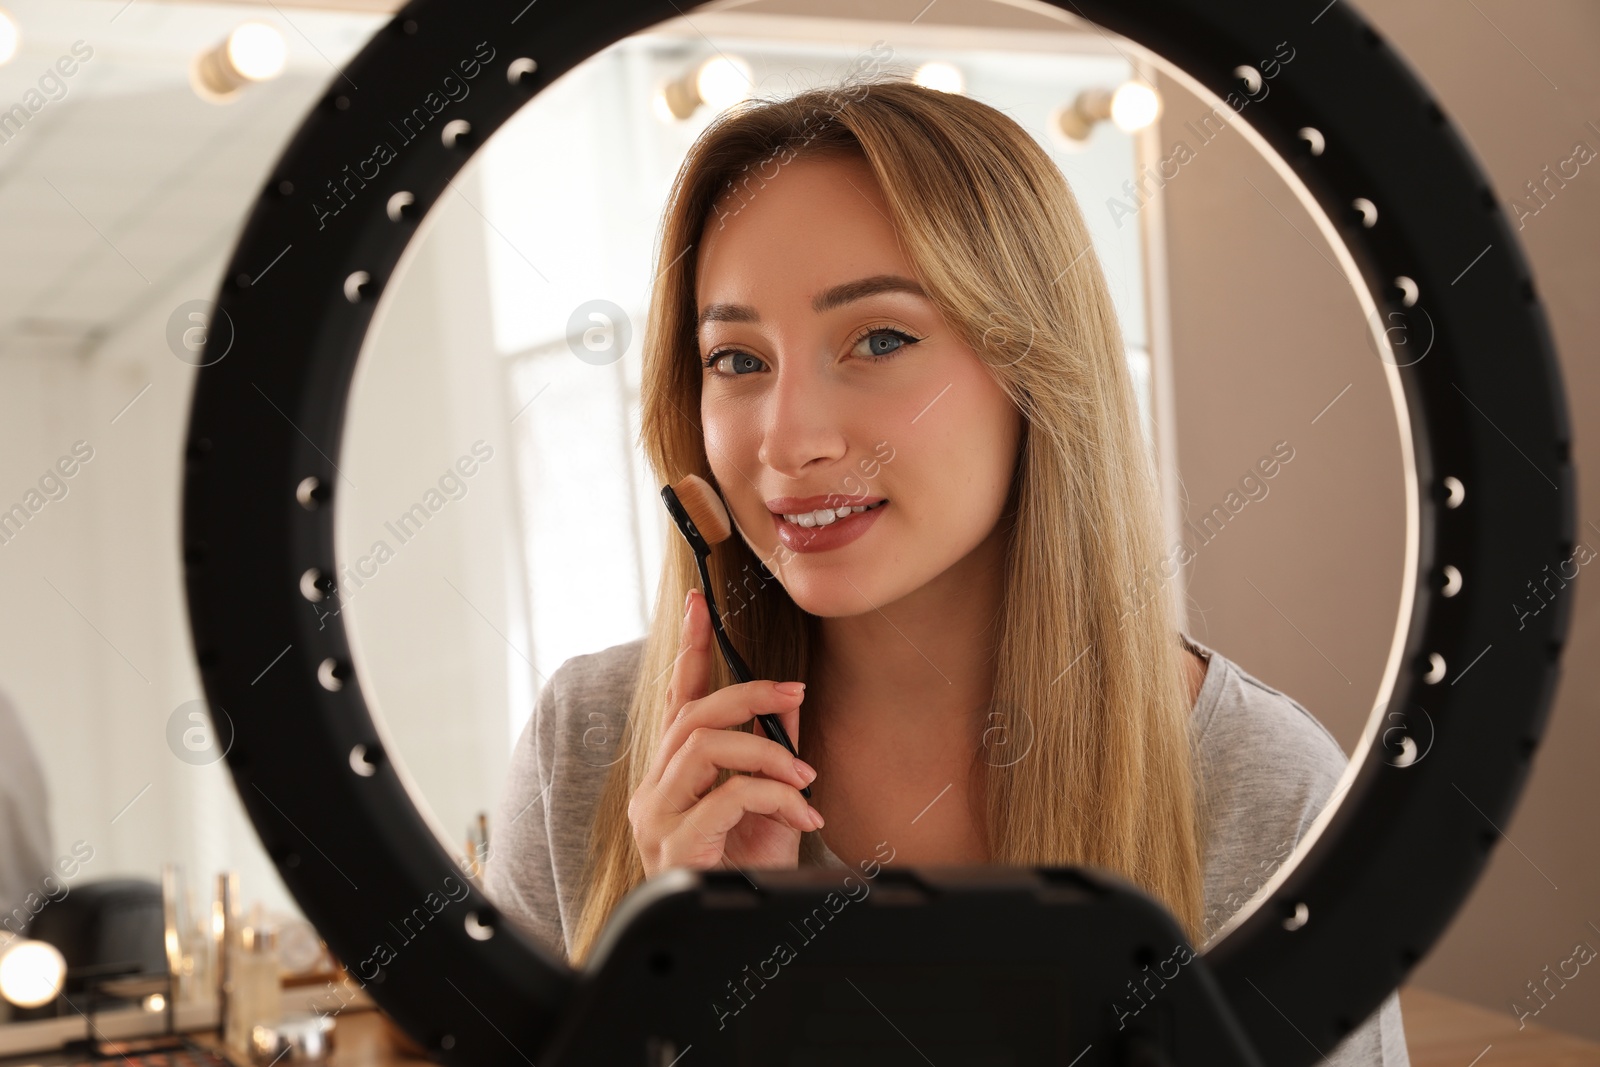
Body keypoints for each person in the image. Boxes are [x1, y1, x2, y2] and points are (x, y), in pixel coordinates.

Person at [486, 75, 1407, 1063]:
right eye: (736, 359)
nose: (787, 438)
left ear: (1035, 374)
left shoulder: (1256, 793)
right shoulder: (584, 753)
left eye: (879, 338)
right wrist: (684, 965)